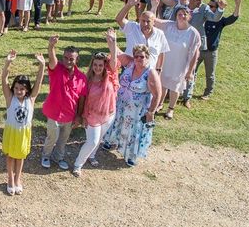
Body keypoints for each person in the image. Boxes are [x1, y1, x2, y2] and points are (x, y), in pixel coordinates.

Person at [103, 44, 162, 167]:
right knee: (118, 123)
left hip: (137, 109)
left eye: (141, 57)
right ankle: (111, 141)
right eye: (136, 56)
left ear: (147, 57)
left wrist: (151, 112)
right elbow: (117, 53)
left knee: (134, 131)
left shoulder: (151, 73)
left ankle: (131, 155)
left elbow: (157, 95)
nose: (138, 59)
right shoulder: (130, 64)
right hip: (122, 103)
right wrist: (112, 41)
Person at [73, 29, 120, 176]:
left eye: (100, 65)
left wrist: (113, 42)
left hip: (109, 114)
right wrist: (82, 116)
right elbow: (82, 100)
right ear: (92, 66)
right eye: (95, 65)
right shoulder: (87, 81)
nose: (98, 68)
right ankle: (77, 165)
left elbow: (113, 60)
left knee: (99, 139)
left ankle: (91, 156)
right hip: (91, 115)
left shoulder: (111, 76)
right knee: (92, 141)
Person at [1, 49, 46, 195]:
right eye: (16, 88)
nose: (18, 91)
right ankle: (9, 179)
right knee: (10, 156)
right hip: (12, 132)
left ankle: (18, 178)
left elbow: (39, 82)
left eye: (22, 88)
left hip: (24, 133)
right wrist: (8, 62)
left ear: (27, 90)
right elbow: (4, 80)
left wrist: (42, 65)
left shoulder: (31, 99)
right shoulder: (10, 98)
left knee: (20, 157)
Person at [41, 37, 88, 171]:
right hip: (53, 112)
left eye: (71, 59)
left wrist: (79, 116)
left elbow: (82, 99)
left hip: (69, 115)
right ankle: (46, 155)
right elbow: (51, 58)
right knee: (52, 136)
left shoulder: (82, 78)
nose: (68, 61)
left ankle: (58, 157)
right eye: (66, 58)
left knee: (63, 139)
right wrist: (51, 46)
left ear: (77, 60)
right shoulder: (56, 69)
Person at [153, 6, 201, 120]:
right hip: (165, 61)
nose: (182, 16)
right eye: (179, 14)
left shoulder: (193, 33)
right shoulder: (169, 25)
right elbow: (153, 20)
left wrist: (190, 71)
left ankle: (170, 109)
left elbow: (195, 54)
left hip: (180, 65)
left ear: (189, 16)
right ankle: (159, 104)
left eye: (185, 14)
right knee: (162, 84)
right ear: (176, 16)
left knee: (175, 87)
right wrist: (155, 5)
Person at [180, 0, 225, 108]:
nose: (201, 1)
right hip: (181, 43)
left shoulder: (204, 8)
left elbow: (214, 18)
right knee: (178, 67)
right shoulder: (182, 8)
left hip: (196, 45)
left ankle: (187, 97)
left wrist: (220, 9)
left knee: (192, 70)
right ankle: (173, 90)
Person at [115, 0, 170, 72]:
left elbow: (161, 53)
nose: (145, 24)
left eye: (148, 21)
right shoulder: (132, 27)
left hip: (150, 73)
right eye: (143, 21)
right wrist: (128, 5)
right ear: (139, 20)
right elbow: (119, 19)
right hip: (130, 71)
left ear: (154, 22)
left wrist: (158, 70)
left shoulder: (159, 34)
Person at [199, 0, 241, 100]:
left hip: (211, 52)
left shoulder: (220, 21)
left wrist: (238, 5)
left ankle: (208, 93)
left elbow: (234, 18)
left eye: (212, 6)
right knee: (192, 71)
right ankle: (186, 91)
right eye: (208, 5)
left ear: (217, 8)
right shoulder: (203, 17)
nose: (209, 8)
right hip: (199, 49)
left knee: (210, 74)